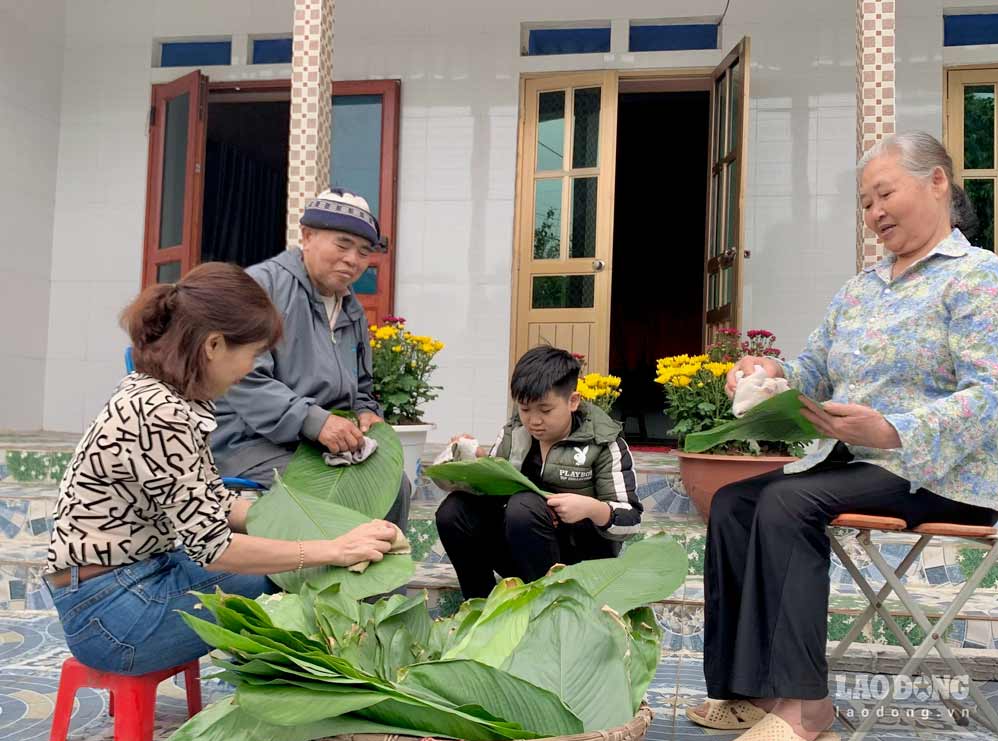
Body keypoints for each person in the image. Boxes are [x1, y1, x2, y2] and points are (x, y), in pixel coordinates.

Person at [689, 131, 998, 741]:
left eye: (884, 193)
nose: (874, 213)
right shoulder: (862, 288)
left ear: (938, 183)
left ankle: (807, 711)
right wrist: (765, 372)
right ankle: (749, 688)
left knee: (788, 502)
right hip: (860, 465)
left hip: (939, 470)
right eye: (865, 202)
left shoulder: (979, 277)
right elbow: (811, 370)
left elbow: (992, 395)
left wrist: (893, 429)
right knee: (734, 502)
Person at [43, 263, 400, 676]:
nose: (250, 368)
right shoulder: (161, 411)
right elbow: (214, 549)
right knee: (290, 580)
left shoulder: (166, 394)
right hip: (113, 615)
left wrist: (326, 528)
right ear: (213, 345)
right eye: (251, 354)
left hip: (137, 580)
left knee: (291, 569)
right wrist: (334, 549)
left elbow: (215, 501)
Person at [212, 188, 411, 531]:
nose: (353, 260)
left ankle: (376, 586)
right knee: (337, 497)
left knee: (396, 486)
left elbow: (362, 387)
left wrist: (366, 412)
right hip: (253, 441)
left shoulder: (351, 308)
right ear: (306, 236)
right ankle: (313, 584)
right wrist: (314, 421)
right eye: (342, 244)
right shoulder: (261, 287)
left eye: (364, 252)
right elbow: (241, 379)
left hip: (318, 446)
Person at [434, 346, 643, 599]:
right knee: (453, 511)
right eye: (524, 409)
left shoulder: (604, 442)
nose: (533, 421)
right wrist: (471, 461)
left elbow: (630, 522)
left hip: (580, 561)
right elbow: (492, 490)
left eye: (545, 410)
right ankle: (479, 605)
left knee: (524, 506)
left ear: (573, 401)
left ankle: (548, 608)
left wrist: (590, 508)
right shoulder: (514, 433)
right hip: (522, 548)